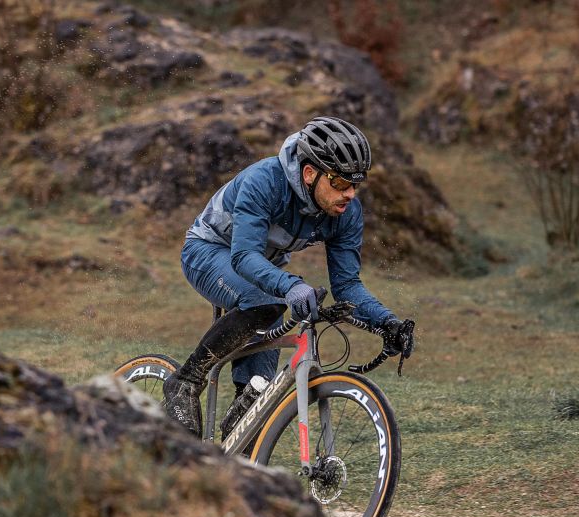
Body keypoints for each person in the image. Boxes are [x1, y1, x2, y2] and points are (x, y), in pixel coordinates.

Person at [163, 116, 415, 436]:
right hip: (208, 252)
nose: (349, 194)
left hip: (261, 270)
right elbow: (243, 256)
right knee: (267, 299)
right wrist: (291, 285)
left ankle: (235, 448)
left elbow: (347, 285)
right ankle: (184, 382)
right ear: (309, 173)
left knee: (256, 406)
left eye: (355, 184)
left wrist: (386, 322)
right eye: (339, 182)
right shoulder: (264, 181)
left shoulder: (346, 213)